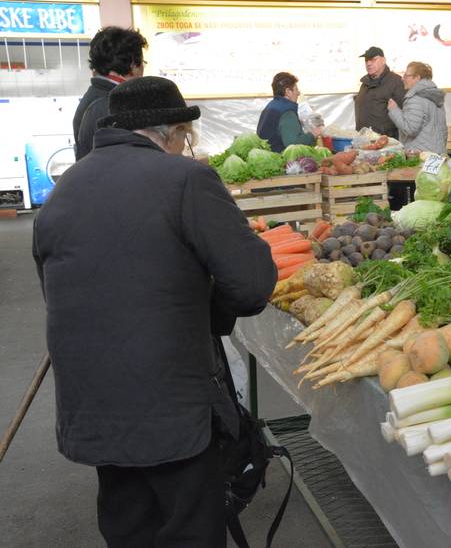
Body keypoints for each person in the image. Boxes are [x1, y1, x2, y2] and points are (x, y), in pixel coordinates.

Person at [33, 76, 277, 547]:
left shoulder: (65, 187)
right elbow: (249, 286)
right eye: (186, 136)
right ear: (171, 132)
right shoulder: (185, 178)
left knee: (128, 527)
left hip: (93, 403)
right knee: (190, 527)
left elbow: (57, 289)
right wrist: (210, 308)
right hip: (169, 404)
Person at [72, 26, 148, 160]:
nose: (143, 68)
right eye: (142, 62)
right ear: (131, 62)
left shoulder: (95, 95)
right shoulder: (114, 103)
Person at [386, 61, 446, 153]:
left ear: (417, 78)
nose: (402, 79)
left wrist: (394, 110)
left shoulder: (415, 99)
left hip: (420, 156)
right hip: (436, 154)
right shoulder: (433, 95)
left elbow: (410, 129)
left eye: (406, 76)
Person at [256, 71, 321, 152]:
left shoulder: (271, 106)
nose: (298, 93)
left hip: (266, 155)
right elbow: (293, 143)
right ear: (288, 92)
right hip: (279, 159)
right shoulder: (287, 112)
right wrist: (313, 134)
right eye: (296, 89)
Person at [354, 46, 405, 139]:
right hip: (363, 141)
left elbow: (404, 114)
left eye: (373, 60)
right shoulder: (364, 83)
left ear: (383, 60)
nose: (368, 63)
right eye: (366, 60)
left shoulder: (396, 82)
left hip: (387, 143)